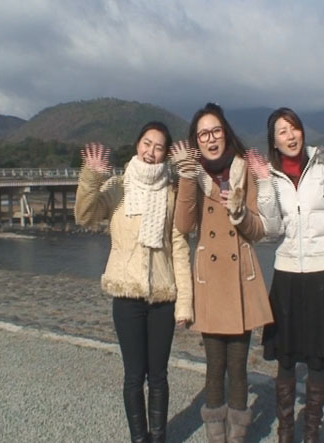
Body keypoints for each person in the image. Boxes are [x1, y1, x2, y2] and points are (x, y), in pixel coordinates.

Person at [74, 122, 193, 443]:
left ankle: (159, 437)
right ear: (137, 144)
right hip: (126, 295)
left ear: (166, 154)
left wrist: (185, 304)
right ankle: (139, 439)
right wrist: (90, 178)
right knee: (133, 377)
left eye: (158, 147)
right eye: (146, 143)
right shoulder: (119, 187)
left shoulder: (171, 194)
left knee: (158, 376)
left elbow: (179, 249)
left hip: (163, 298)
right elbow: (85, 216)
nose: (151, 152)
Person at [248, 107, 324, 443]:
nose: (291, 136)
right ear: (274, 141)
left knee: (317, 360)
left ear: (302, 132)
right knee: (285, 359)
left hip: (323, 275)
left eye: (294, 128)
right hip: (288, 276)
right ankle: (285, 432)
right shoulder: (271, 177)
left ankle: (311, 432)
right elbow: (269, 230)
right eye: (282, 132)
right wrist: (264, 183)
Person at [172, 103, 273, 443]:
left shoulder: (244, 171)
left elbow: (258, 230)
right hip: (211, 283)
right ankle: (216, 434)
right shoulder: (193, 173)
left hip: (241, 282)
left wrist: (239, 211)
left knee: (239, 367)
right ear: (195, 140)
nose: (211, 138)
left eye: (215, 131)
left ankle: (238, 435)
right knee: (215, 367)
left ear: (226, 132)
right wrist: (186, 176)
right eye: (203, 134)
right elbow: (184, 225)